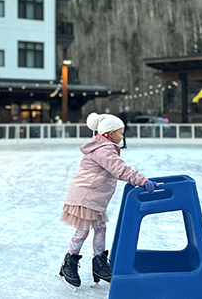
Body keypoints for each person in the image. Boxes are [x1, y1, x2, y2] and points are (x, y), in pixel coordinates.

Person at [58, 112, 158, 290]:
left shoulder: (104, 147)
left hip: (94, 197)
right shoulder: (103, 150)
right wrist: (141, 180)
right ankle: (69, 262)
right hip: (86, 196)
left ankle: (99, 263)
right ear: (110, 134)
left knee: (100, 228)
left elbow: (115, 170)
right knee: (82, 231)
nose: (122, 136)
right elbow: (119, 169)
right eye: (120, 133)